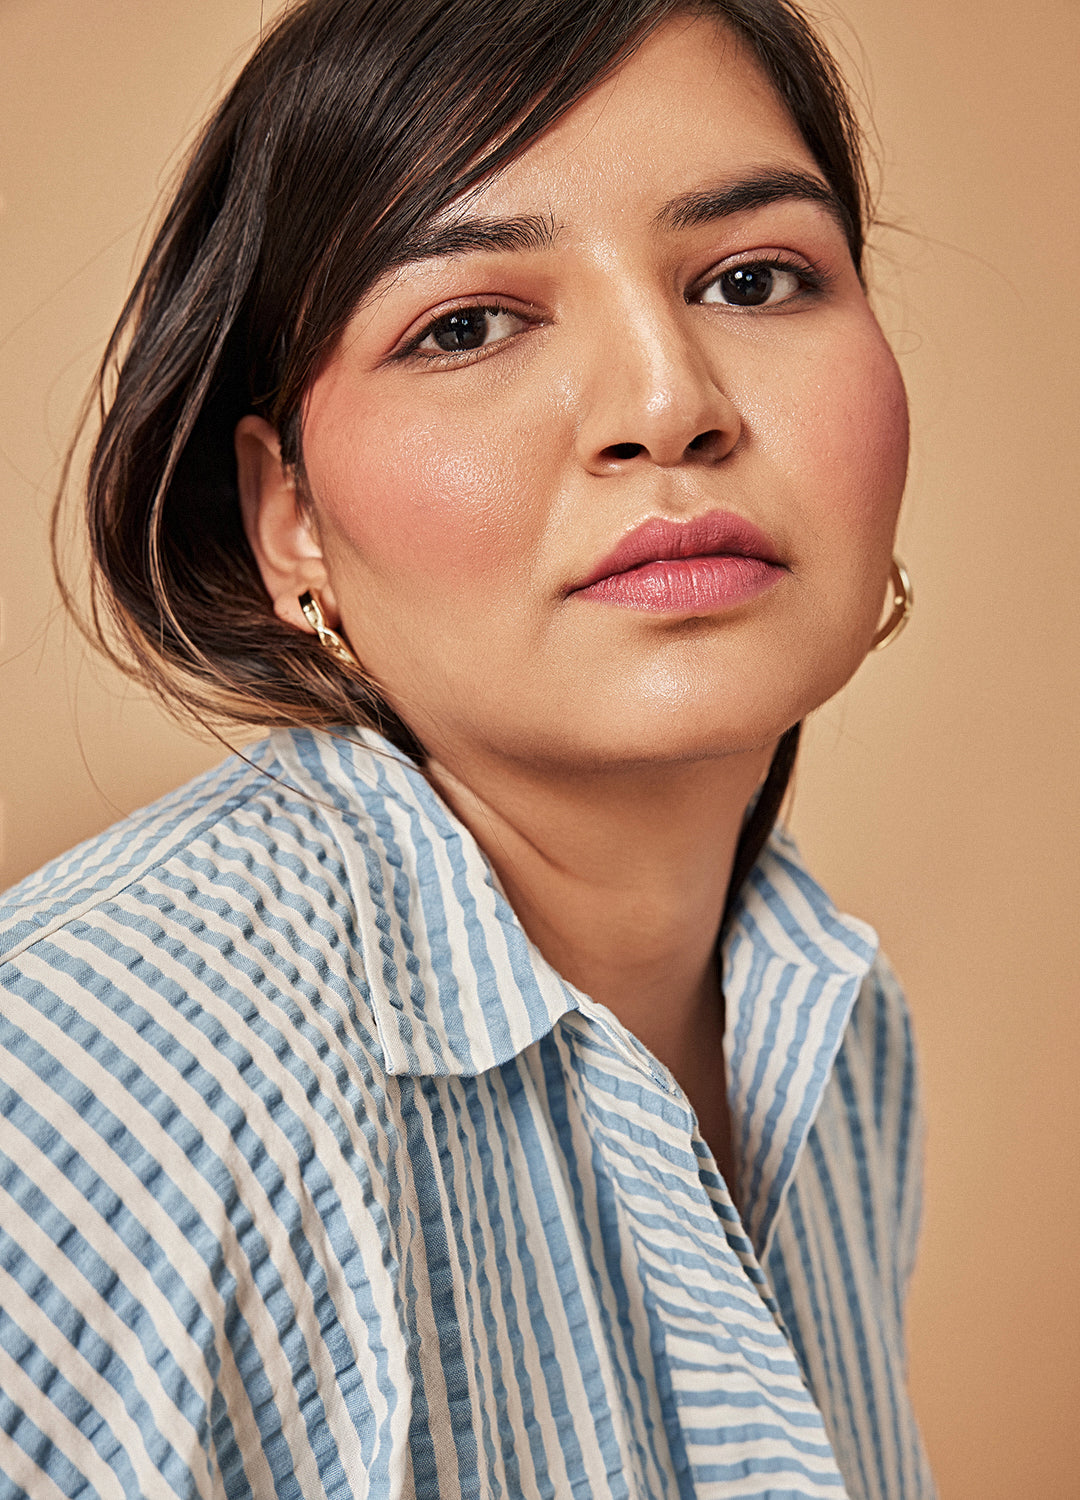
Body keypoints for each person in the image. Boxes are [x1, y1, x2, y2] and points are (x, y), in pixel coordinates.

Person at [0, 0, 932, 1495]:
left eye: (754, 279)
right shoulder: (89, 1087)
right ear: (288, 516)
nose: (667, 405)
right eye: (468, 324)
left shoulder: (835, 1026)